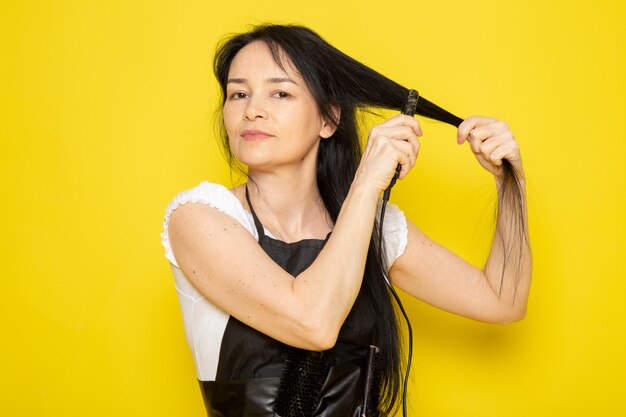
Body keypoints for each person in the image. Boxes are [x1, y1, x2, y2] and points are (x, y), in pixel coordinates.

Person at [160, 24, 532, 417]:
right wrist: (367, 182)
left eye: (280, 92)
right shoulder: (199, 217)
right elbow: (313, 323)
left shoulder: (372, 226)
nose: (252, 109)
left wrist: (510, 182)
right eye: (238, 93)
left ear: (329, 118)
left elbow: (501, 300)